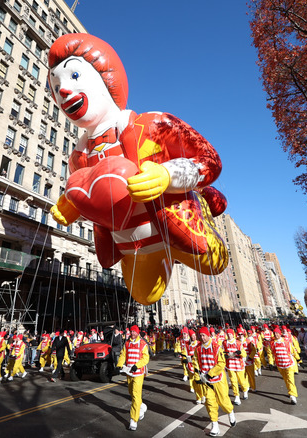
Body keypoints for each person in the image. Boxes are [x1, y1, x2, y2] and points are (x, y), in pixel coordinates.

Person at [47, 33, 228, 308]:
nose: (62, 90)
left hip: (178, 225)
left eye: (74, 76)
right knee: (144, 296)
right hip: (132, 245)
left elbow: (210, 159)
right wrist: (73, 206)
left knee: (215, 263)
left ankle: (201, 201)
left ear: (105, 78)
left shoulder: (154, 123)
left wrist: (167, 176)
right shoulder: (78, 159)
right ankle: (163, 256)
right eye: (56, 83)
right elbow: (96, 203)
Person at [193, 326, 236, 437]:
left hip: (218, 379)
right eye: (200, 335)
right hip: (206, 381)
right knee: (210, 403)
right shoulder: (197, 349)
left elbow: (221, 363)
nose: (202, 338)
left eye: (203, 335)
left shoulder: (216, 347)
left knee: (223, 401)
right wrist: (198, 377)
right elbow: (196, 363)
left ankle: (230, 412)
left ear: (208, 335)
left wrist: (210, 374)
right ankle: (214, 425)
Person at [116, 325, 150, 431]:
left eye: (134, 332)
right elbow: (122, 355)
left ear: (138, 333)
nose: (132, 333)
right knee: (132, 393)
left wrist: (138, 365)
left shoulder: (143, 344)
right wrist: (120, 365)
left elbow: (146, 358)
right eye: (131, 331)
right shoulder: (127, 343)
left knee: (135, 395)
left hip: (139, 373)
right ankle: (141, 406)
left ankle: (133, 420)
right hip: (129, 373)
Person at [272, 327, 298, 405]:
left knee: (290, 380)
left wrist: (299, 359)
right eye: (275, 333)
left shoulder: (286, 342)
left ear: (280, 333)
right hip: (280, 365)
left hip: (289, 364)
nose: (276, 335)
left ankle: (293, 395)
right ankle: (290, 391)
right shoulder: (272, 343)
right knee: (286, 380)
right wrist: (271, 363)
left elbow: (293, 351)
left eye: (277, 333)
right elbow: (271, 353)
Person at [223, 328, 249, 405]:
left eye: (230, 334)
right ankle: (236, 396)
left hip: (239, 364)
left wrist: (240, 352)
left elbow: (244, 354)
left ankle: (245, 390)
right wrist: (225, 356)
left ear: (233, 334)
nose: (229, 336)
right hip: (230, 365)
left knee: (241, 380)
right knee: (233, 381)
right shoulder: (224, 343)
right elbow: (222, 352)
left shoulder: (238, 342)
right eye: (228, 334)